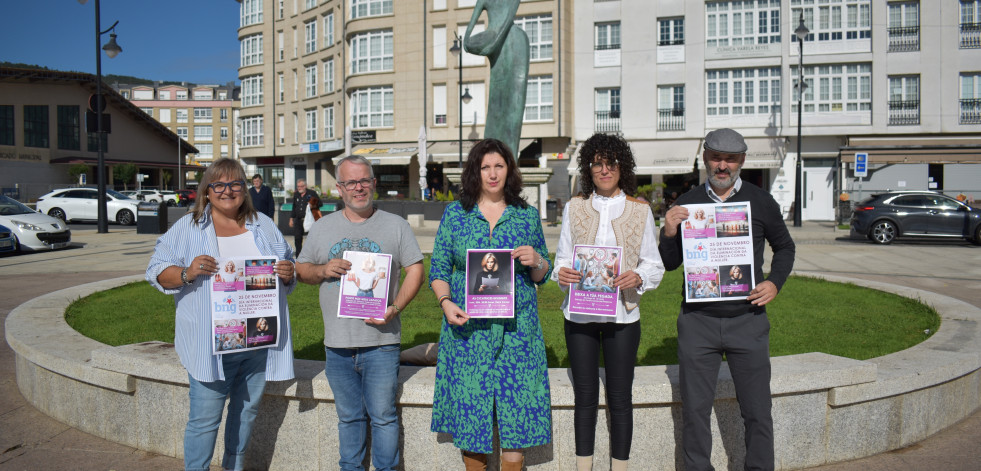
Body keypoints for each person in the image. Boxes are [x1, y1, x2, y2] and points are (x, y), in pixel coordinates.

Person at [145, 158, 297, 471]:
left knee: (245, 416)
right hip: (211, 345)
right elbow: (157, 271)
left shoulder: (263, 224)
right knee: (204, 421)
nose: (227, 191)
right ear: (207, 191)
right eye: (219, 184)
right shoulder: (189, 227)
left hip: (256, 341)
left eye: (235, 184)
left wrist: (287, 273)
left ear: (245, 188)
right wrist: (187, 272)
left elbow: (287, 267)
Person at [659, 128, 796, 471]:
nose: (722, 166)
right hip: (697, 322)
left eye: (730, 159)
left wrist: (775, 283)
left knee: (758, 411)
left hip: (747, 320)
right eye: (716, 157)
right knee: (694, 412)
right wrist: (669, 232)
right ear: (704, 158)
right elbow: (671, 263)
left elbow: (786, 247)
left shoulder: (761, 200)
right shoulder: (687, 202)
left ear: (742, 161)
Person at [429, 138, 552, 471]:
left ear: (509, 169)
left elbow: (543, 275)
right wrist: (445, 302)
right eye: (485, 167)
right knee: (471, 426)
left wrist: (536, 258)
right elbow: (439, 269)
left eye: (499, 166)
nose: (493, 173)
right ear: (475, 171)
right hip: (468, 335)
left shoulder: (525, 216)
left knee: (517, 423)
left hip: (518, 335)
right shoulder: (456, 215)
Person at [295, 155, 424, 471]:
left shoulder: (396, 226)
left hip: (381, 343)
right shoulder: (323, 227)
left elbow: (416, 270)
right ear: (339, 188)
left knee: (383, 417)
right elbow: (301, 270)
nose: (359, 187)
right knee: (349, 417)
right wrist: (324, 269)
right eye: (351, 182)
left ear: (374, 183)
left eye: (364, 180)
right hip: (337, 344)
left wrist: (395, 308)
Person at [551, 133, 665, 471]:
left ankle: (620, 467)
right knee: (584, 398)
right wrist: (563, 274)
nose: (604, 169)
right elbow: (560, 260)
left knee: (620, 399)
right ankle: (582, 467)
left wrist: (639, 277)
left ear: (622, 167)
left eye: (611, 163)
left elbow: (653, 263)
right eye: (598, 163)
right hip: (579, 316)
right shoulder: (574, 208)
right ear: (590, 167)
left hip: (623, 315)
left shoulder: (640, 211)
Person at [288, 178, 318, 256]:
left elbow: (320, 203)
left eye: (301, 186)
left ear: (305, 186)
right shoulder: (296, 194)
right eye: (298, 186)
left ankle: (312, 254)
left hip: (309, 220)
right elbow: (294, 207)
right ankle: (298, 255)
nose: (299, 188)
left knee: (311, 238)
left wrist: (313, 204)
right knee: (297, 238)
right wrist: (291, 219)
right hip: (298, 220)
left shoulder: (311, 193)